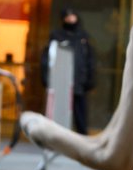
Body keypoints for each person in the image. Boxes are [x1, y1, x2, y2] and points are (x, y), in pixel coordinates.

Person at [41, 7, 97, 135]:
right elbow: (48, 58)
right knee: (59, 111)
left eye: (72, 16)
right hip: (60, 81)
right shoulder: (57, 36)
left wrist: (90, 79)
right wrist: (46, 78)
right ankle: (56, 136)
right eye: (67, 16)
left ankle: (82, 139)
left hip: (79, 81)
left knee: (80, 112)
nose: (70, 19)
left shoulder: (84, 37)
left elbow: (90, 59)